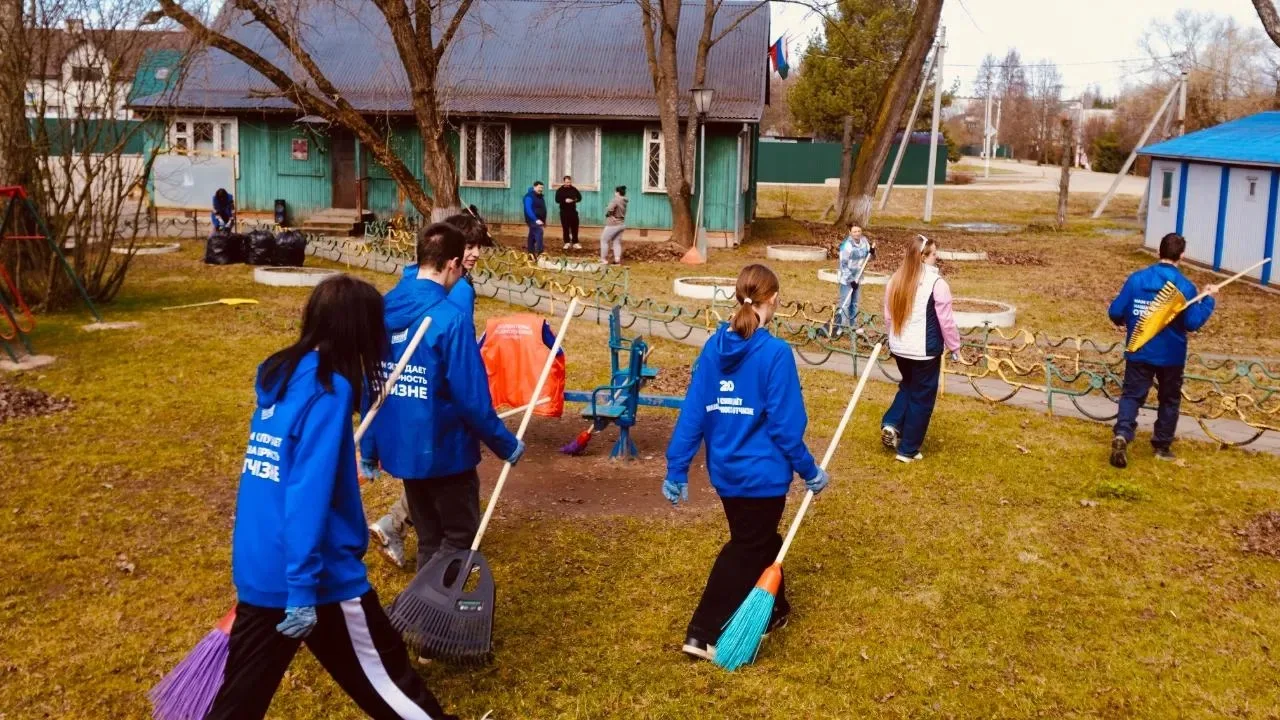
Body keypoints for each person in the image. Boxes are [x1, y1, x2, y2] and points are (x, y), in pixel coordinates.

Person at [207, 275, 458, 720]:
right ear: (361, 331)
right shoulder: (328, 390)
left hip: (262, 568)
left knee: (238, 704)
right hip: (317, 577)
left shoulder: (282, 377)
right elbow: (307, 495)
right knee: (388, 678)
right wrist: (303, 589)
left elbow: (271, 483)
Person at [663, 264, 830, 663]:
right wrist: (809, 471)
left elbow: (693, 412)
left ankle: (774, 610)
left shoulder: (713, 347)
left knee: (762, 539)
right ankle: (703, 632)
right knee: (745, 546)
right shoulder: (775, 353)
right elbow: (786, 426)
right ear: (774, 299)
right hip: (763, 476)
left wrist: (677, 466)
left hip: (726, 473)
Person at [359, 223, 525, 574]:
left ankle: (422, 604)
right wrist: (506, 444)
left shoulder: (381, 309)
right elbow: (471, 398)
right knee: (459, 537)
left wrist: (371, 447)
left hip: (406, 449)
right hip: (446, 451)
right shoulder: (450, 319)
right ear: (453, 263)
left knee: (430, 537)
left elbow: (372, 386)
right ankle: (439, 606)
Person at [1107, 232, 1218, 468]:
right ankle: (1161, 446)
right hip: (1171, 355)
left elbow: (1116, 311)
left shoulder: (1137, 279)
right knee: (1169, 400)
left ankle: (1122, 434)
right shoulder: (1185, 287)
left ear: (1159, 252)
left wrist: (1125, 322)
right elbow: (1192, 323)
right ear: (1182, 256)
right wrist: (1207, 300)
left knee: (1131, 395)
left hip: (1140, 348)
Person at [879, 235, 962, 464]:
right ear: (922, 257)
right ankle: (908, 450)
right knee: (922, 397)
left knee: (908, 385)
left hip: (900, 347)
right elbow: (946, 321)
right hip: (924, 350)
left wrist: (893, 338)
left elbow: (888, 315)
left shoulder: (896, 279)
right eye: (933, 253)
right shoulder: (937, 284)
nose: (937, 257)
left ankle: (892, 423)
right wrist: (955, 347)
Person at [835, 224, 876, 334]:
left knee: (855, 303)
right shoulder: (846, 246)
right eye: (854, 231)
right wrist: (851, 280)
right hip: (846, 278)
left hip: (857, 277)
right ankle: (840, 327)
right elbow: (843, 265)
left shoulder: (864, 242)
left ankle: (853, 326)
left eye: (859, 231)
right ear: (850, 233)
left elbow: (868, 258)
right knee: (846, 303)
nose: (857, 233)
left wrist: (872, 253)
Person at [600, 185, 628, 265]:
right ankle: (617, 260)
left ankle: (603, 260)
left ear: (617, 192)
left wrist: (608, 213)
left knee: (604, 240)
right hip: (621, 223)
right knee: (616, 242)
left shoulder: (615, 199)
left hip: (613, 224)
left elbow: (609, 209)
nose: (614, 193)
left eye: (615, 192)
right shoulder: (624, 200)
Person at [555, 175, 582, 251]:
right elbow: (557, 200)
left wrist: (574, 200)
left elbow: (579, 198)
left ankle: (575, 242)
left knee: (575, 227)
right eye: (566, 182)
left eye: (569, 182)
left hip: (573, 211)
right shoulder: (560, 190)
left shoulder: (574, 189)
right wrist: (564, 200)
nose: (568, 184)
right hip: (564, 212)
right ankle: (566, 242)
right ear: (564, 182)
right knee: (565, 227)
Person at [523, 181, 547, 257]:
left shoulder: (539, 196)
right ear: (534, 187)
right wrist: (535, 219)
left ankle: (530, 254)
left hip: (538, 219)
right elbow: (528, 209)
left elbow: (541, 208)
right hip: (532, 219)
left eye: (542, 188)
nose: (541, 189)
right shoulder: (529, 196)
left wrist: (543, 220)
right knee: (539, 231)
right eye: (539, 187)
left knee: (532, 236)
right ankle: (540, 253)